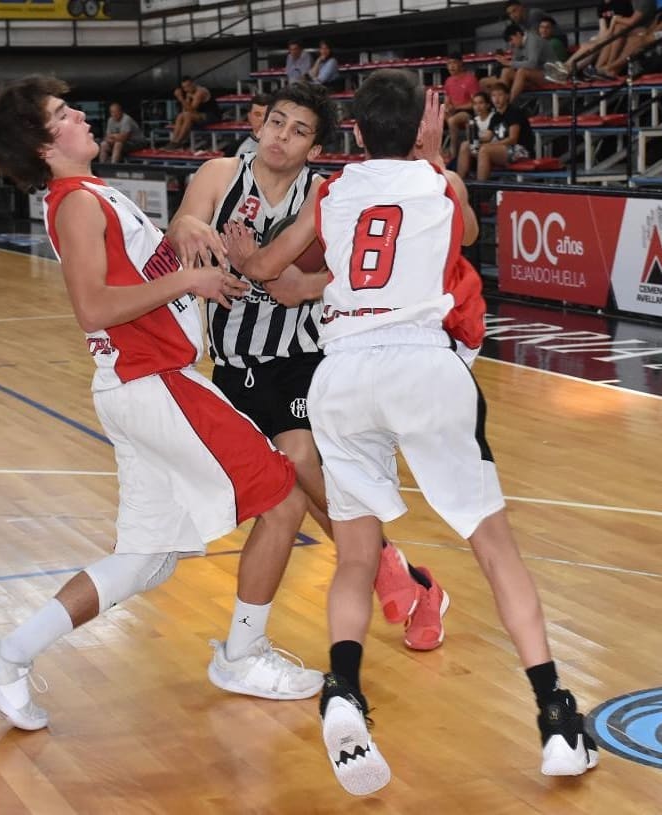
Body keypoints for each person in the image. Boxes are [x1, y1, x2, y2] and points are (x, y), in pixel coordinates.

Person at [239, 68, 598, 795]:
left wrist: (244, 250)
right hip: (423, 366)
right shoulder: (442, 183)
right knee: (494, 548)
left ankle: (344, 690)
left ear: (355, 130)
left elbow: (270, 271)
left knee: (354, 556)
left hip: (342, 372)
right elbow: (464, 233)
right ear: (427, 127)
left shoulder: (333, 191)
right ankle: (556, 718)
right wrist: (432, 159)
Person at [0, 76, 326, 734]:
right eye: (64, 114)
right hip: (153, 380)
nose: (80, 116)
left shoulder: (90, 192)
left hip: (141, 384)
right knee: (282, 498)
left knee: (145, 558)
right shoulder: (75, 202)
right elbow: (93, 307)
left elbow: (141, 275)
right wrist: (190, 279)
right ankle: (241, 655)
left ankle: (3, 658)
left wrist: (188, 248)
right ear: (44, 144)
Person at [168, 82, 449, 654]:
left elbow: (356, 270)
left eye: (299, 132)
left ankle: (386, 572)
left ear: (315, 149)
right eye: (277, 123)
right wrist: (189, 229)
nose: (282, 137)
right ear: (258, 125)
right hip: (232, 360)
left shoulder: (324, 193)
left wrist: (305, 286)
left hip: (301, 353)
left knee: (298, 459)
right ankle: (405, 577)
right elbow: (182, 227)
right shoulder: (219, 174)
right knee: (296, 485)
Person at [471, 81, 534, 180]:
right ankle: (460, 185)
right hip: (503, 149)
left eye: (500, 95)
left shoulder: (514, 112)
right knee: (466, 146)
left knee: (485, 150)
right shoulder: (495, 116)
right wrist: (472, 137)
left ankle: (480, 187)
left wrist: (491, 145)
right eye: (493, 96)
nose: (496, 99)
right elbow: (487, 137)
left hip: (521, 150)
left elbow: (513, 139)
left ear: (507, 96)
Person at [485, 22, 556, 101]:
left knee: (522, 72)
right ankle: (499, 103)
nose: (510, 44)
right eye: (508, 42)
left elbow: (532, 64)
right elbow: (514, 64)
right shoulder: (518, 44)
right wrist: (503, 65)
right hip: (534, 74)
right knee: (505, 72)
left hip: (550, 74)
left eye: (511, 39)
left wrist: (509, 63)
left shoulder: (533, 40)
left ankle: (508, 104)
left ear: (518, 34)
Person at [442, 52, 481, 160]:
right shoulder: (448, 81)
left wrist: (457, 108)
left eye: (454, 63)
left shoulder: (470, 79)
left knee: (452, 120)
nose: (451, 66)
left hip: (467, 112)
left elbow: (475, 103)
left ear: (461, 63)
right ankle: (437, 152)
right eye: (449, 64)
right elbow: (447, 101)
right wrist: (447, 108)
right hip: (453, 111)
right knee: (432, 119)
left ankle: (453, 154)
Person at [167, 76, 221, 149]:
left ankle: (178, 142)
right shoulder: (188, 93)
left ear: (193, 84)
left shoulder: (200, 92)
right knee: (180, 116)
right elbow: (185, 110)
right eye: (184, 87)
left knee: (188, 116)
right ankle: (173, 141)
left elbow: (191, 109)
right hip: (199, 115)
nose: (187, 89)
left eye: (188, 86)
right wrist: (185, 104)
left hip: (212, 116)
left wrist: (181, 98)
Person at [456, 91, 495, 178]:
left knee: (468, 145)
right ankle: (460, 179)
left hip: (493, 147)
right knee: (464, 145)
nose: (478, 107)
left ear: (488, 105)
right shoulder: (474, 120)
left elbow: (488, 137)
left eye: (481, 103)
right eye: (475, 104)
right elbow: (470, 139)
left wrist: (474, 138)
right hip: (479, 148)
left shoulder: (494, 117)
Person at [223, 93, 271, 157]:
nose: (262, 119)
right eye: (257, 114)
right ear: (249, 117)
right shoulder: (235, 147)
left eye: (267, 115)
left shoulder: (283, 145)